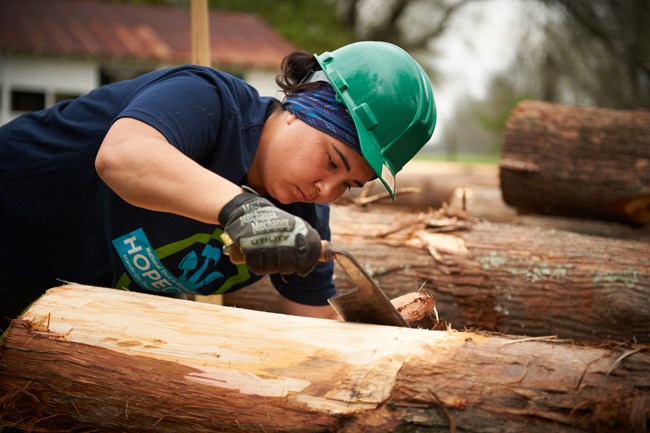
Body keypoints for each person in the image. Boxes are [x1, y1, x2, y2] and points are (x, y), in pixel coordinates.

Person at [0, 41, 436, 334]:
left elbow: (317, 330)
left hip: (58, 299)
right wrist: (243, 210)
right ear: (300, 108)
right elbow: (122, 157)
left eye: (349, 185)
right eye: (331, 162)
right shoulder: (208, 100)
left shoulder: (303, 220)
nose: (326, 191)